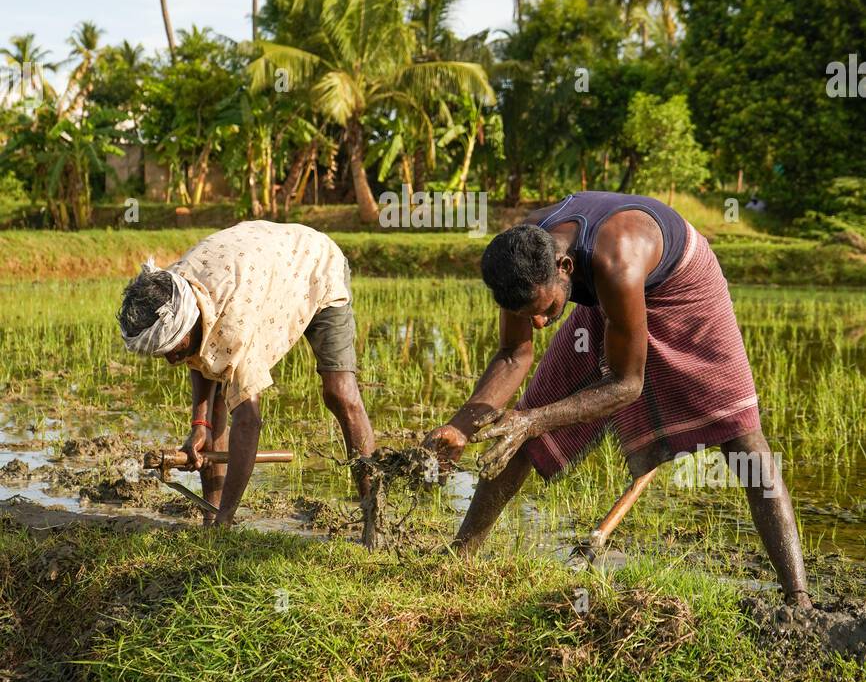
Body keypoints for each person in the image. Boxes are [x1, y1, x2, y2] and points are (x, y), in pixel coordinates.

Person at [425, 191, 811, 607]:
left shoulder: (616, 259)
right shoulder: (521, 257)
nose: (537, 322)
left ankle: (799, 597)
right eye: (526, 314)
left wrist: (533, 420)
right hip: (605, 297)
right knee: (517, 430)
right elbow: (513, 354)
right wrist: (461, 427)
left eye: (546, 309)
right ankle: (459, 555)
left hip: (683, 288)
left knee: (742, 441)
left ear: (565, 266)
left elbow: (628, 385)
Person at [118, 221, 375, 527]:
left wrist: (231, 512)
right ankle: (211, 518)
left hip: (316, 266)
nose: (173, 360)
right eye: (164, 354)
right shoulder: (172, 289)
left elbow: (249, 421)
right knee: (212, 414)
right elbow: (200, 358)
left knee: (340, 393)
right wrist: (200, 425)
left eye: (174, 348)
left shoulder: (234, 325)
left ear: (189, 321)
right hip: (260, 263)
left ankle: (374, 515)